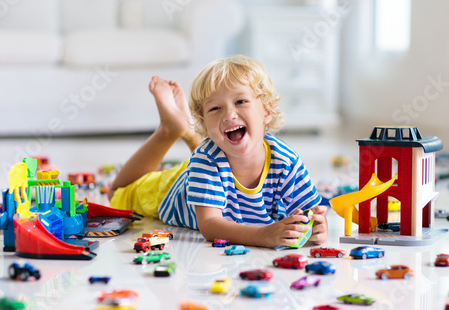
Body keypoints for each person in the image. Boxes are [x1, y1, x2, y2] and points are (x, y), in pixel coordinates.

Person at [108, 55, 327, 248]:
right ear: (205, 123)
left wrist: (317, 227)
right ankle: (168, 131)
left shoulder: (285, 160)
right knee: (116, 193)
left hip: (210, 166)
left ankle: (189, 131)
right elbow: (210, 225)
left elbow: (311, 212)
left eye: (240, 101)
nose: (229, 115)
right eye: (215, 108)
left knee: (212, 148)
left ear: (266, 111)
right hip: (176, 188)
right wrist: (264, 235)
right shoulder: (205, 159)